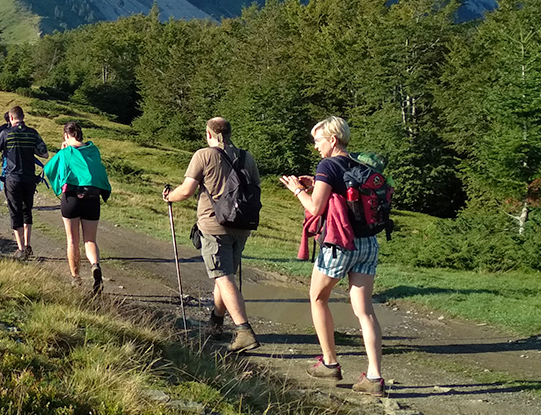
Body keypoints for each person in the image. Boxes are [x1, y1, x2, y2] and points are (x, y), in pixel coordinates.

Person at [278, 115, 387, 396]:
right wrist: (315, 182)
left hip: (339, 243)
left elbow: (316, 209)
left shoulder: (327, 164)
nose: (316, 146)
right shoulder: (358, 164)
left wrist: (298, 189)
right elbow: (343, 195)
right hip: (367, 243)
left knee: (318, 298)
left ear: (332, 140)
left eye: (318, 141)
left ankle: (329, 363)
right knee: (365, 311)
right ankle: (374, 377)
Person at [162, 117, 261, 352]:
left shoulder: (204, 155)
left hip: (213, 226)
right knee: (224, 275)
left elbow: (186, 191)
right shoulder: (247, 158)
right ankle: (215, 323)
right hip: (242, 225)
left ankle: (243, 330)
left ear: (209, 134)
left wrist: (169, 196)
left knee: (222, 277)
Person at [43, 121, 111, 291]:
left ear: (66, 135)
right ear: (80, 135)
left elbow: (49, 169)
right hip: (92, 198)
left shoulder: (66, 152)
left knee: (72, 240)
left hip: (71, 199)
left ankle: (76, 278)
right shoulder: (93, 150)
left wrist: (62, 151)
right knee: (90, 240)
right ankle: (95, 265)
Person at [0, 106, 49, 260]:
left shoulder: (5, 133)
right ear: (23, 117)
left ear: (11, 118)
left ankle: (21, 248)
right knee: (27, 210)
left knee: (15, 212)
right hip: (30, 178)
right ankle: (28, 245)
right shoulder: (33, 133)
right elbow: (44, 153)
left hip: (13, 178)